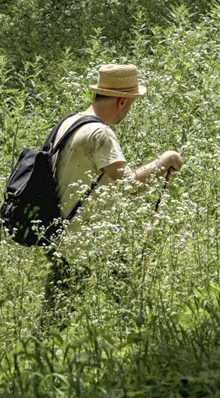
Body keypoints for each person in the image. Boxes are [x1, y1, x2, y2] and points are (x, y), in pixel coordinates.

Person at [41, 64, 184, 326]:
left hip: (62, 235)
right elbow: (130, 186)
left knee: (59, 319)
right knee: (70, 321)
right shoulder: (100, 134)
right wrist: (165, 160)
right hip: (83, 244)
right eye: (130, 104)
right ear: (121, 101)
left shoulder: (69, 122)